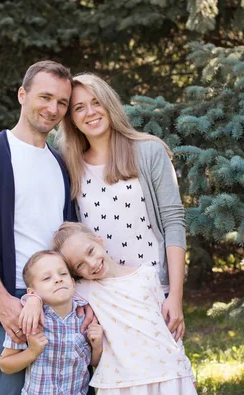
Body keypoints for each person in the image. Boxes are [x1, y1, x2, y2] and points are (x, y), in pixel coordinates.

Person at [0, 60, 77, 395]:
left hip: (62, 302)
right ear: (22, 95)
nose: (53, 109)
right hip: (13, 301)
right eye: (45, 97)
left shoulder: (61, 162)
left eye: (62, 103)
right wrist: (2, 301)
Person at [58, 73, 187, 341]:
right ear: (71, 118)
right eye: (79, 108)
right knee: (114, 379)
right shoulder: (71, 166)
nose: (90, 113)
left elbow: (174, 223)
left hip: (153, 288)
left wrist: (175, 295)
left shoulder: (149, 151)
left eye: (96, 102)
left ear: (109, 104)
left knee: (165, 371)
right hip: (102, 294)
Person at [49, 222, 197, 394]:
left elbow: (169, 329)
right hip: (122, 380)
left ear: (100, 241)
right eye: (80, 265)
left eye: (90, 251)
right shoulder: (83, 289)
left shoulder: (146, 275)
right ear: (76, 273)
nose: (91, 263)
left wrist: (187, 371)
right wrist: (32, 301)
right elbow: (50, 292)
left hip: (168, 372)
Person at [0, 250, 103, 395]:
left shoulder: (85, 318)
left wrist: (97, 345)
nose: (58, 279)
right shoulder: (28, 320)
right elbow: (5, 365)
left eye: (63, 274)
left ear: (73, 283)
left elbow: (94, 363)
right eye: (47, 278)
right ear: (32, 292)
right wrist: (32, 352)